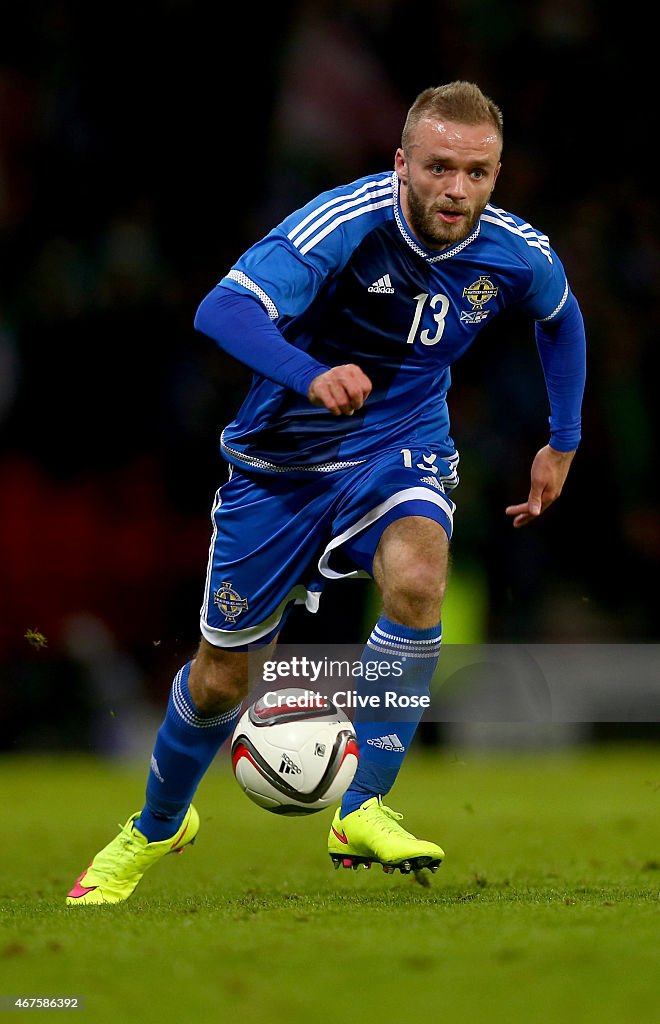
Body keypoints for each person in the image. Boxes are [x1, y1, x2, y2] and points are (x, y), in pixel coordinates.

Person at [66, 81, 586, 904]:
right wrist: (310, 373)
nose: (458, 189)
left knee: (419, 577)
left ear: (497, 173)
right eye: (440, 168)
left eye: (478, 172)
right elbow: (224, 308)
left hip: (398, 446)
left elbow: (560, 317)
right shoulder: (342, 225)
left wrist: (563, 440)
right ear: (401, 164)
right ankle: (157, 827)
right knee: (219, 682)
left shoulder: (517, 251)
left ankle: (364, 805)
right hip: (279, 469)